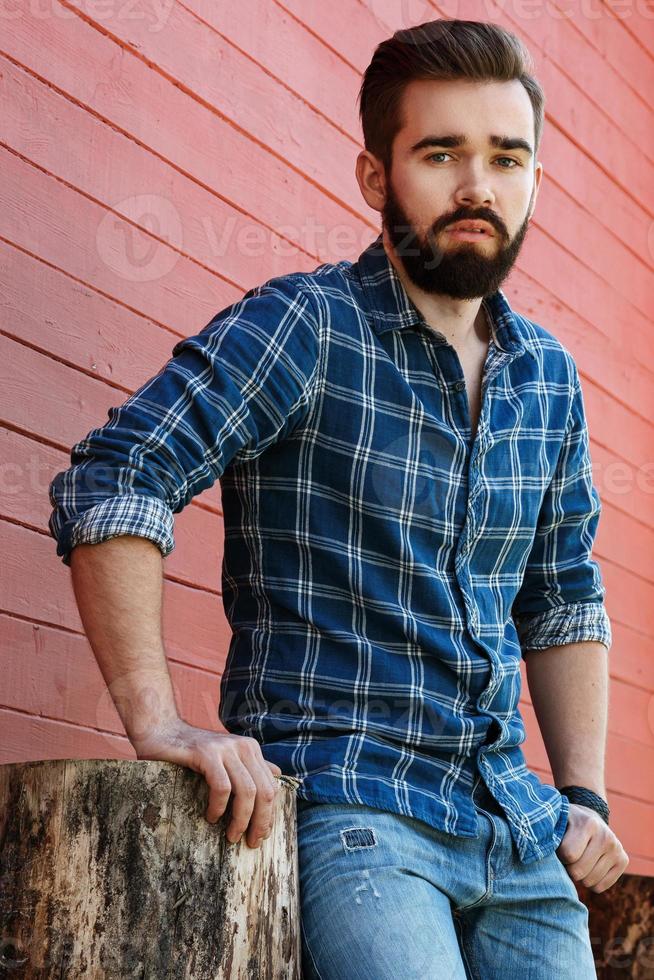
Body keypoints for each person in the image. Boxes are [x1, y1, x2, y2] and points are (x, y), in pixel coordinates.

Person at [48, 17, 628, 979]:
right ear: (375, 178)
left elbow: (562, 593)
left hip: (519, 838)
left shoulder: (550, 380)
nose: (478, 186)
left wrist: (586, 798)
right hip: (356, 815)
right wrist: (156, 723)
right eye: (441, 153)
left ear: (533, 179)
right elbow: (119, 474)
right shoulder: (305, 329)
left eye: (507, 157)